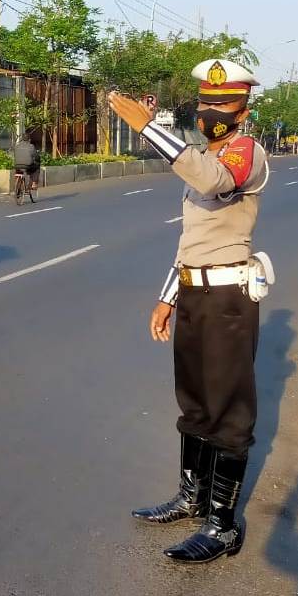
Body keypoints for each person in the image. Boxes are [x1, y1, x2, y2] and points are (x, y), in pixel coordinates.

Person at [107, 58, 269, 565]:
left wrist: (149, 127)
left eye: (223, 104)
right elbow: (190, 241)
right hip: (195, 294)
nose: (211, 111)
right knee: (194, 401)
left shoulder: (247, 154)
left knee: (227, 408)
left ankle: (221, 524)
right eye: (206, 102)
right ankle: (191, 496)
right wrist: (167, 296)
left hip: (228, 299)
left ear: (243, 109)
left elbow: (215, 181)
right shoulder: (200, 155)